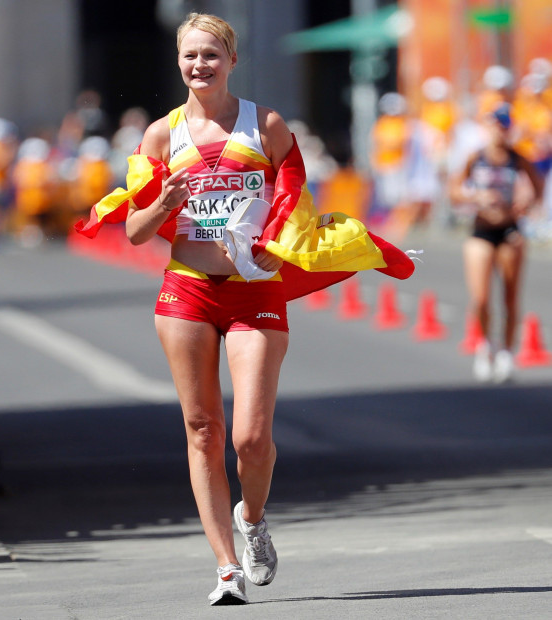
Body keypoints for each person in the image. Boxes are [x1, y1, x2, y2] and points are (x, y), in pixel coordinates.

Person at [75, 12, 414, 606]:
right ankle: (226, 567)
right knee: (202, 427)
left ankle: (251, 519)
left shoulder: (268, 126)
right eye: (189, 56)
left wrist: (286, 240)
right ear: (178, 62)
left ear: (232, 60)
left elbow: (294, 197)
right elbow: (132, 229)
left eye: (211, 54)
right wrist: (166, 204)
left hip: (253, 290)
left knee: (251, 438)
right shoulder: (161, 135)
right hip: (186, 290)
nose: (199, 65)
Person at [451, 103, 545, 382]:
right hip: (481, 231)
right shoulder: (475, 157)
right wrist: (475, 198)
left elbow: (538, 187)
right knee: (480, 298)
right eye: (494, 125)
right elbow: (454, 190)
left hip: (509, 231)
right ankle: (484, 346)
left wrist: (527, 201)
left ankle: (505, 351)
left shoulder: (517, 158)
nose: (499, 131)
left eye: (504, 126)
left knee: (510, 295)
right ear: (486, 127)